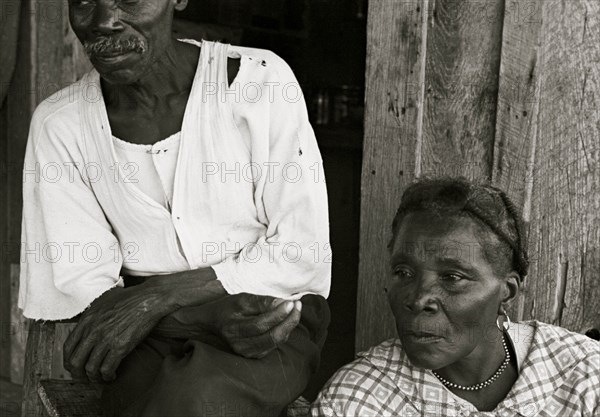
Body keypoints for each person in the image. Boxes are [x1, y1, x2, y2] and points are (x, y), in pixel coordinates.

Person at [19, 0, 331, 415]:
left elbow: (300, 250)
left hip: (265, 318)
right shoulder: (60, 124)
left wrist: (160, 296)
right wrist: (190, 316)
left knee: (198, 398)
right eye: (83, 2)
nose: (103, 22)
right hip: (144, 337)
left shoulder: (259, 83)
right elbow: (87, 288)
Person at [311, 178, 599, 416]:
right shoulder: (357, 400)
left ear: (506, 290)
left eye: (452, 277)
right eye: (404, 272)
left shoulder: (583, 376)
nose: (419, 298)